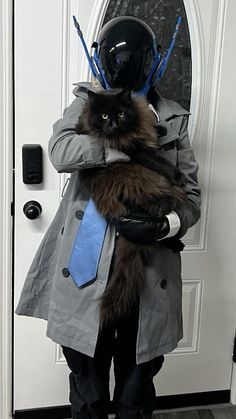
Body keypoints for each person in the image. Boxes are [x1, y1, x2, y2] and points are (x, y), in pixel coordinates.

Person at [16, 16, 201, 419]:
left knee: (137, 391)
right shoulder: (88, 101)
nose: (124, 66)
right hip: (86, 268)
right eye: (117, 58)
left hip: (148, 271)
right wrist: (116, 148)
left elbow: (192, 197)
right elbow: (61, 151)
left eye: (135, 57)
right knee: (88, 389)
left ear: (154, 60)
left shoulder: (173, 118)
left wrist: (165, 224)